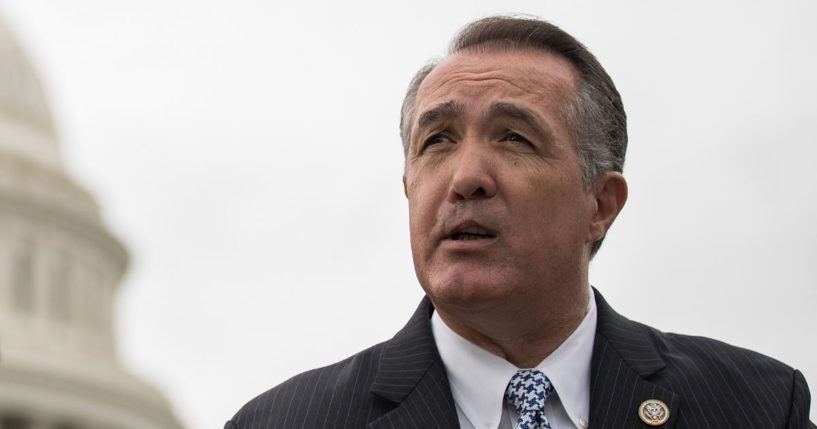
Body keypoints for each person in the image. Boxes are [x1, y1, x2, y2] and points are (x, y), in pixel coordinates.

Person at [225, 16, 814, 429]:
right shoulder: (280, 421)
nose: (465, 178)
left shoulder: (757, 404)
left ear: (600, 204)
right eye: (437, 141)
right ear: (408, 188)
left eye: (513, 138)